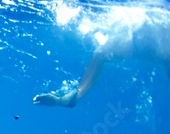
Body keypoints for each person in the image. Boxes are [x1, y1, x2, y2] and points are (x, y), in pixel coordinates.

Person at [33, 16, 170, 107]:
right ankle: (71, 99)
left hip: (146, 34)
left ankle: (72, 98)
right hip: (147, 33)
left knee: (101, 54)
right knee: (101, 54)